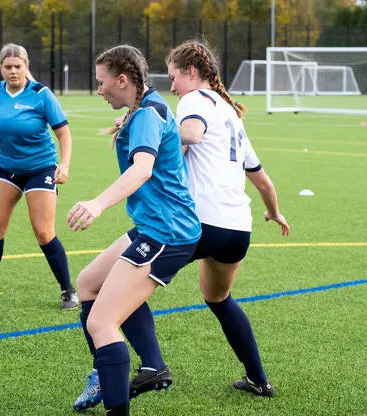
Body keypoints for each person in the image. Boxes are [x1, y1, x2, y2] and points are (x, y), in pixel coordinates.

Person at [68, 45, 201, 416]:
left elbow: (142, 169)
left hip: (167, 232)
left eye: (101, 82)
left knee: (101, 321)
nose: (98, 90)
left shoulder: (147, 114)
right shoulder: (145, 108)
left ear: (122, 80)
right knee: (88, 283)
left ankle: (116, 401)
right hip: (154, 226)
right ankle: (144, 367)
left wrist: (96, 204)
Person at [168, 39, 288, 397]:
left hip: (200, 223)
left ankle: (148, 367)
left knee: (116, 285)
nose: (172, 86)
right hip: (238, 229)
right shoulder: (230, 112)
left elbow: (189, 134)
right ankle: (258, 379)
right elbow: (263, 180)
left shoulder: (193, 101)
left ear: (191, 72)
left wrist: (147, 130)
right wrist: (274, 211)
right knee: (218, 298)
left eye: (173, 77)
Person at [0, 43, 78, 310]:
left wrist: (65, 165)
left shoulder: (42, 95)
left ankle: (68, 290)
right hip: (5, 168)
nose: (13, 71)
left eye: (18, 66)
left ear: (26, 66)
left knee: (44, 232)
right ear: (1, 68)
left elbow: (64, 133)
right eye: (8, 67)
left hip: (41, 169)